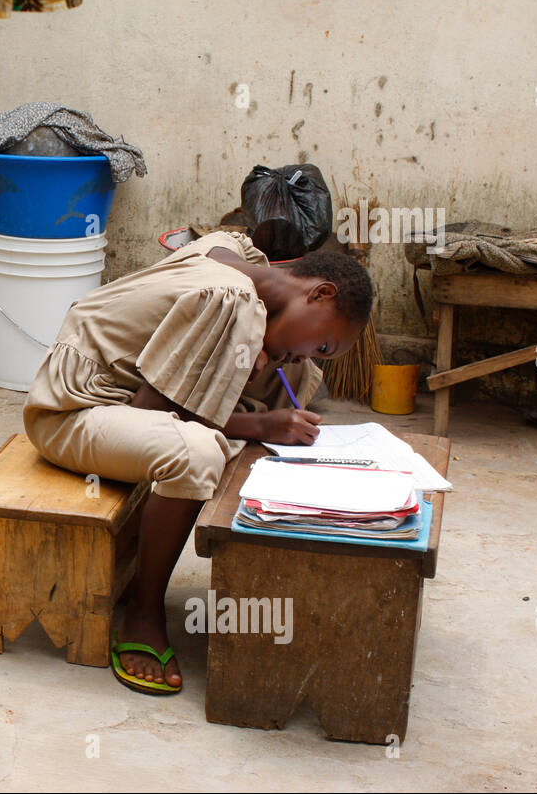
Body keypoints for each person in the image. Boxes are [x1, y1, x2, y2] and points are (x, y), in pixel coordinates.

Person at [22, 231, 373, 693]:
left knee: (288, 371)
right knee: (198, 453)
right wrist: (263, 427)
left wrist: (269, 362)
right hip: (73, 409)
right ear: (319, 292)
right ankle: (144, 611)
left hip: (124, 404)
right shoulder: (233, 300)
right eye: (324, 344)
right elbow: (151, 414)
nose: (313, 354)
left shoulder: (236, 254)